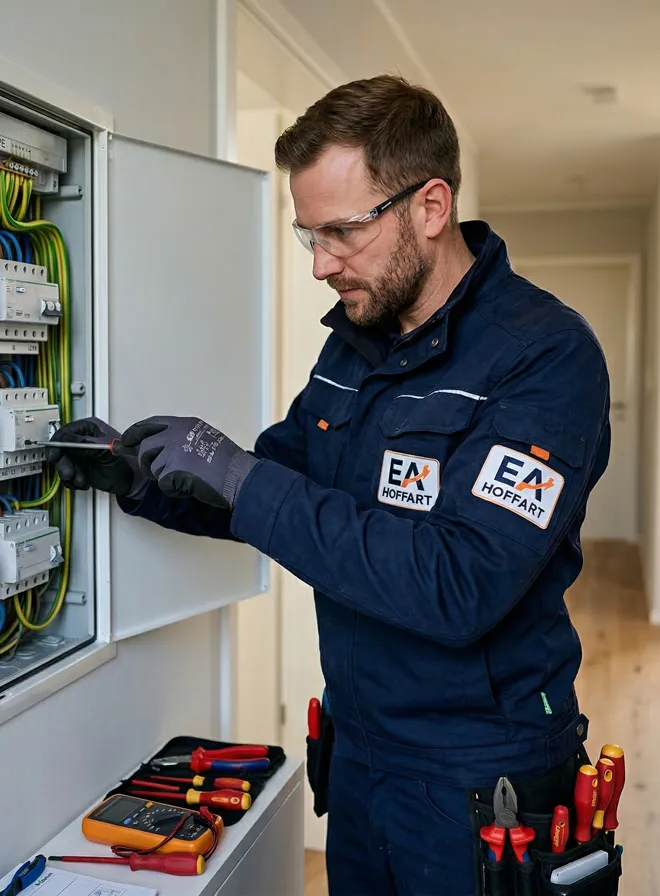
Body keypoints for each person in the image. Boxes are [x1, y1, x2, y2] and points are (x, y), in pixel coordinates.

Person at [48, 74, 611, 894]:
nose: (320, 265)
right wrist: (145, 481)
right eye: (308, 235)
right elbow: (279, 489)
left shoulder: (545, 356)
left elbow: (458, 584)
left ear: (430, 205)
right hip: (359, 754)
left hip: (481, 775)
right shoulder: (357, 342)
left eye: (341, 233)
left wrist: (239, 478)